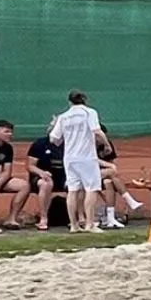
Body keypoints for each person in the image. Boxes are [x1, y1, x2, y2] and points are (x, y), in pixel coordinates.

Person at [49, 91, 109, 232]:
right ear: (84, 100)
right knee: (91, 189)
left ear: (69, 102)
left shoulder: (63, 117)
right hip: (87, 157)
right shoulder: (89, 112)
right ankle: (89, 224)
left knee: (72, 190)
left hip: (69, 158)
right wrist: (106, 145)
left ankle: (74, 225)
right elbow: (97, 131)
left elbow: (54, 138)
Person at [25, 133, 65, 231]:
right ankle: (43, 218)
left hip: (63, 176)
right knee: (46, 184)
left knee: (78, 184)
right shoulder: (40, 143)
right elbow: (30, 166)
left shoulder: (70, 143)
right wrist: (42, 173)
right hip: (41, 177)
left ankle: (79, 218)